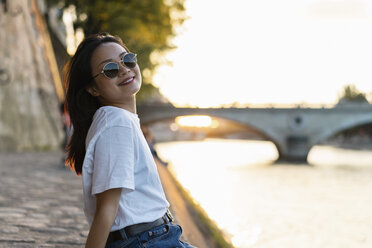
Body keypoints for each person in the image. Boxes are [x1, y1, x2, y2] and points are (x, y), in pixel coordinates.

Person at [64, 33, 195, 248]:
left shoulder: (116, 120)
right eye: (110, 70)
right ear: (93, 88)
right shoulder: (117, 123)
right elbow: (107, 209)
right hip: (147, 241)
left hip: (153, 238)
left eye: (127, 60)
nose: (124, 69)